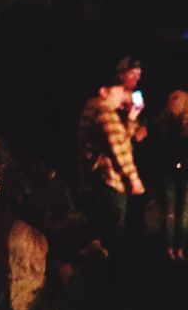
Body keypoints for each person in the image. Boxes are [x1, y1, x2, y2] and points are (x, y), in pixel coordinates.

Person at [76, 78, 145, 255]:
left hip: (95, 180)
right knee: (113, 236)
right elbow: (120, 148)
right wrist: (134, 180)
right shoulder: (104, 111)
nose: (122, 96)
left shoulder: (92, 107)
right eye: (119, 91)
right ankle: (112, 274)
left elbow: (119, 138)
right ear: (104, 91)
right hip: (110, 181)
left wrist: (130, 119)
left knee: (98, 234)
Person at [153, 90, 188, 261]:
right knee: (176, 211)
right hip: (173, 170)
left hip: (175, 170)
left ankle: (174, 248)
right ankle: (174, 248)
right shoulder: (167, 121)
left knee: (175, 211)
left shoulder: (170, 121)